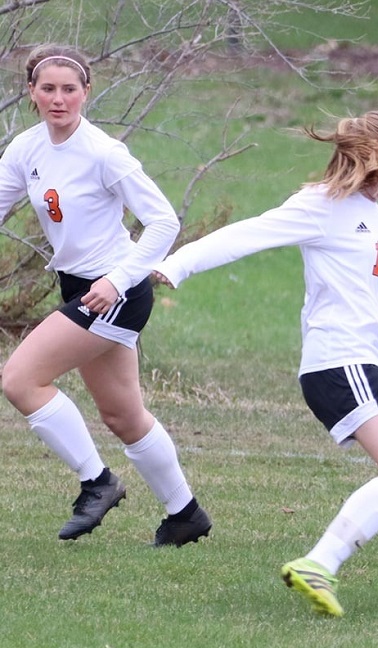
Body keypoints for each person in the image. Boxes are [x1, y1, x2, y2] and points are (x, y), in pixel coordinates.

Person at [153, 110, 378, 620]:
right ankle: (319, 563)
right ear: (367, 156)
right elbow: (245, 235)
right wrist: (175, 264)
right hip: (336, 363)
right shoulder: (321, 205)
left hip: (364, 366)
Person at [0, 45, 212, 547]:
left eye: (68, 89)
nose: (58, 98)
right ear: (31, 92)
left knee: (20, 380)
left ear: (85, 93)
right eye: (47, 88)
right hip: (79, 287)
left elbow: (164, 222)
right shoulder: (26, 149)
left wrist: (117, 280)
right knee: (123, 415)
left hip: (117, 290)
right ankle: (186, 515)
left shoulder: (103, 152)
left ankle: (97, 483)